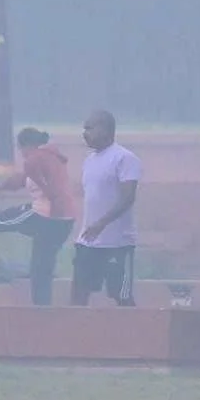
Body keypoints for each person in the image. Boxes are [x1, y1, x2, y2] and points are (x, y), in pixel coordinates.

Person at [0, 126, 79, 304]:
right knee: (41, 265)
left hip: (49, 217)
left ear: (27, 145)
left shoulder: (35, 160)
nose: (20, 153)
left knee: (10, 218)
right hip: (63, 220)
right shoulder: (50, 157)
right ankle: (42, 306)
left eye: (20, 148)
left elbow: (52, 189)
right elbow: (22, 180)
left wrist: (53, 214)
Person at [71, 109, 141, 306]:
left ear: (105, 129)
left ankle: (134, 333)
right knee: (78, 294)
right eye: (84, 129)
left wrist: (102, 223)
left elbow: (128, 198)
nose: (85, 133)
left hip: (118, 243)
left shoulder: (125, 158)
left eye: (89, 128)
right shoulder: (89, 160)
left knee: (122, 295)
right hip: (88, 242)